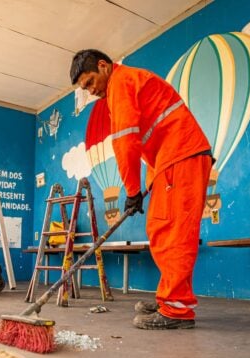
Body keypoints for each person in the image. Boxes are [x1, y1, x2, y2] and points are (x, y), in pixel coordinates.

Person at [70, 49, 213, 330]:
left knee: (172, 232)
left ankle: (176, 310)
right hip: (172, 160)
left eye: (89, 82)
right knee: (161, 230)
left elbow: (125, 141)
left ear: (103, 66)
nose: (90, 91)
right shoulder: (127, 82)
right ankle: (169, 299)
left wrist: (132, 191)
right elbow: (150, 135)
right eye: (85, 88)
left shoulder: (120, 84)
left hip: (180, 157)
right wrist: (147, 184)